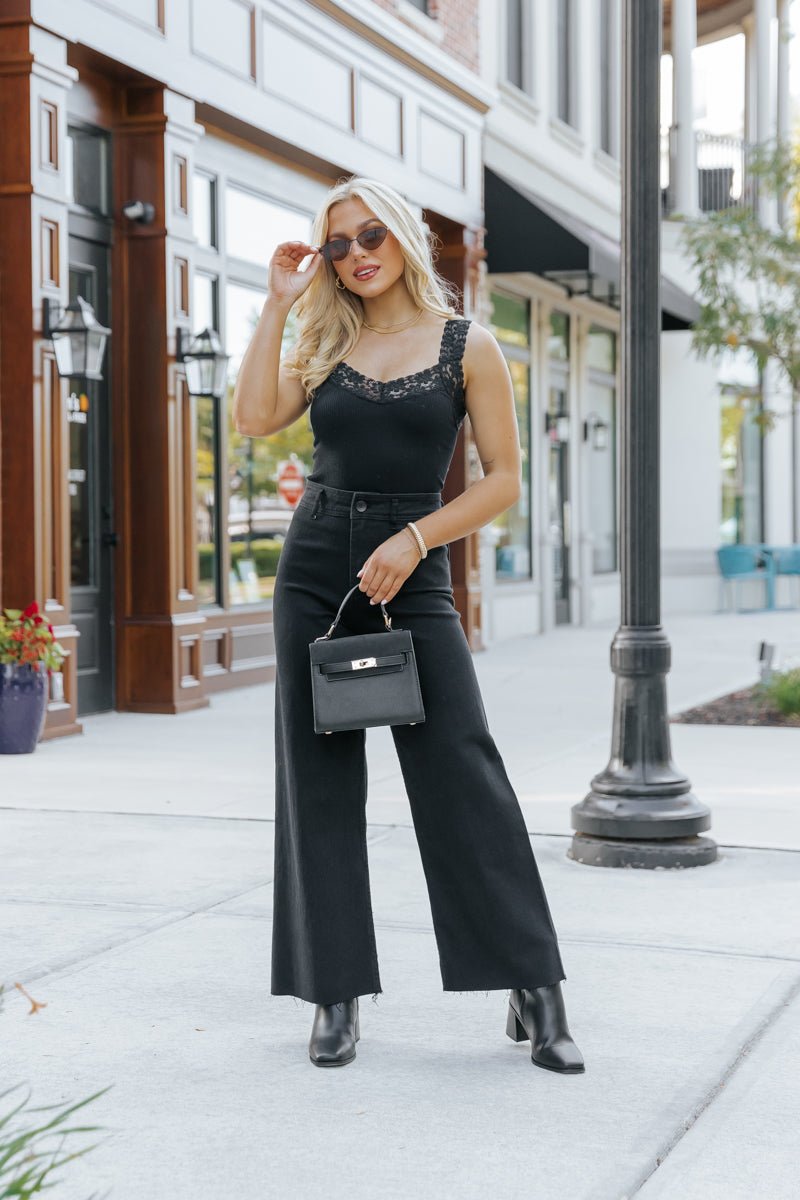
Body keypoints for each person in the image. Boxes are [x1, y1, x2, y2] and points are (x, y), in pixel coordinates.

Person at [232, 176, 584, 1075]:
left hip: (412, 568)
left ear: (404, 237)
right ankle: (333, 993)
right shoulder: (326, 340)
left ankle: (533, 985)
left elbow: (502, 478)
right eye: (339, 244)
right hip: (316, 566)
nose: (356, 254)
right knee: (315, 778)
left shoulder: (471, 345)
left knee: (463, 769)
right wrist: (276, 305)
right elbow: (255, 416)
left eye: (370, 235)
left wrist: (416, 538)